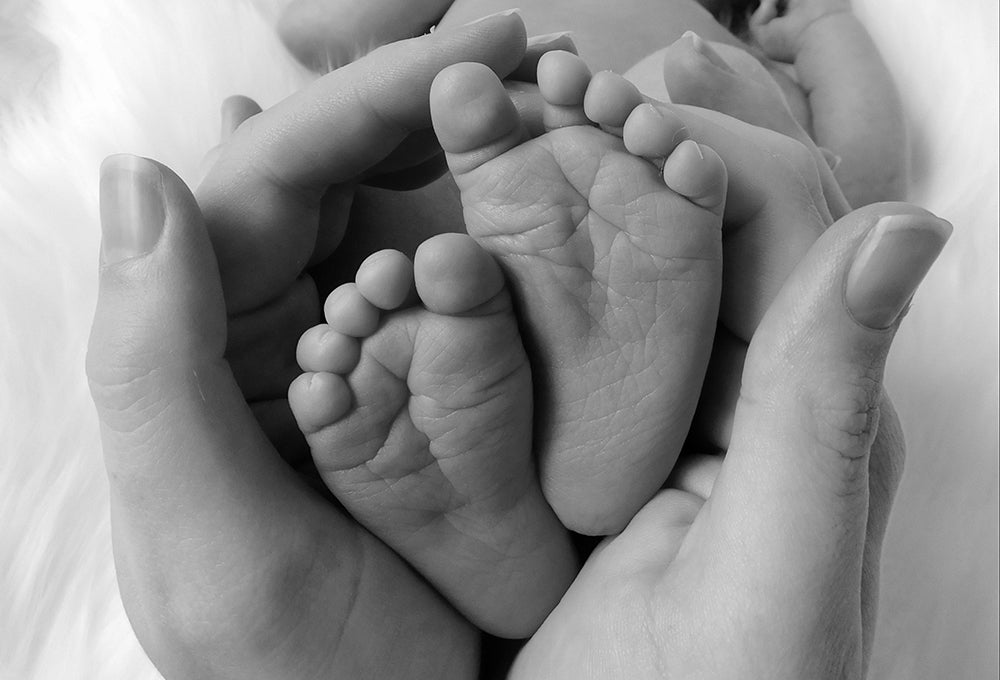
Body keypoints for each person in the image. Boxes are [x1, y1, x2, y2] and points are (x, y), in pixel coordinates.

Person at [88, 14, 951, 678]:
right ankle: (558, 417)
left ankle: (509, 466)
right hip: (687, 212)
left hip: (470, 174)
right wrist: (826, 28)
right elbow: (856, 135)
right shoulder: (727, 43)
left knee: (400, 200)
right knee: (835, 190)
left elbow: (325, 43)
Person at [279, 0, 907, 208]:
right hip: (443, 169)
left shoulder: (733, 45)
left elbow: (869, 182)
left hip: (672, 174)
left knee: (710, 95)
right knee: (361, 122)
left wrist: (826, 24)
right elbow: (315, 27)